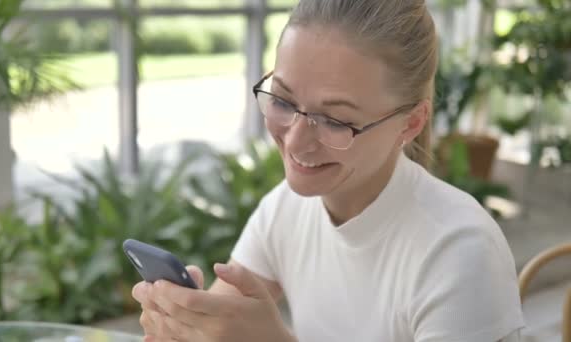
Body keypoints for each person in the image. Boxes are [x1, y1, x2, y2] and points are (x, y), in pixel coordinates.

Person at [131, 0, 525, 341]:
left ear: (410, 123)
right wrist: (188, 321)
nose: (297, 142)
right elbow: (226, 320)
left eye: (335, 120)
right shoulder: (285, 209)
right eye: (283, 101)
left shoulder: (460, 250)